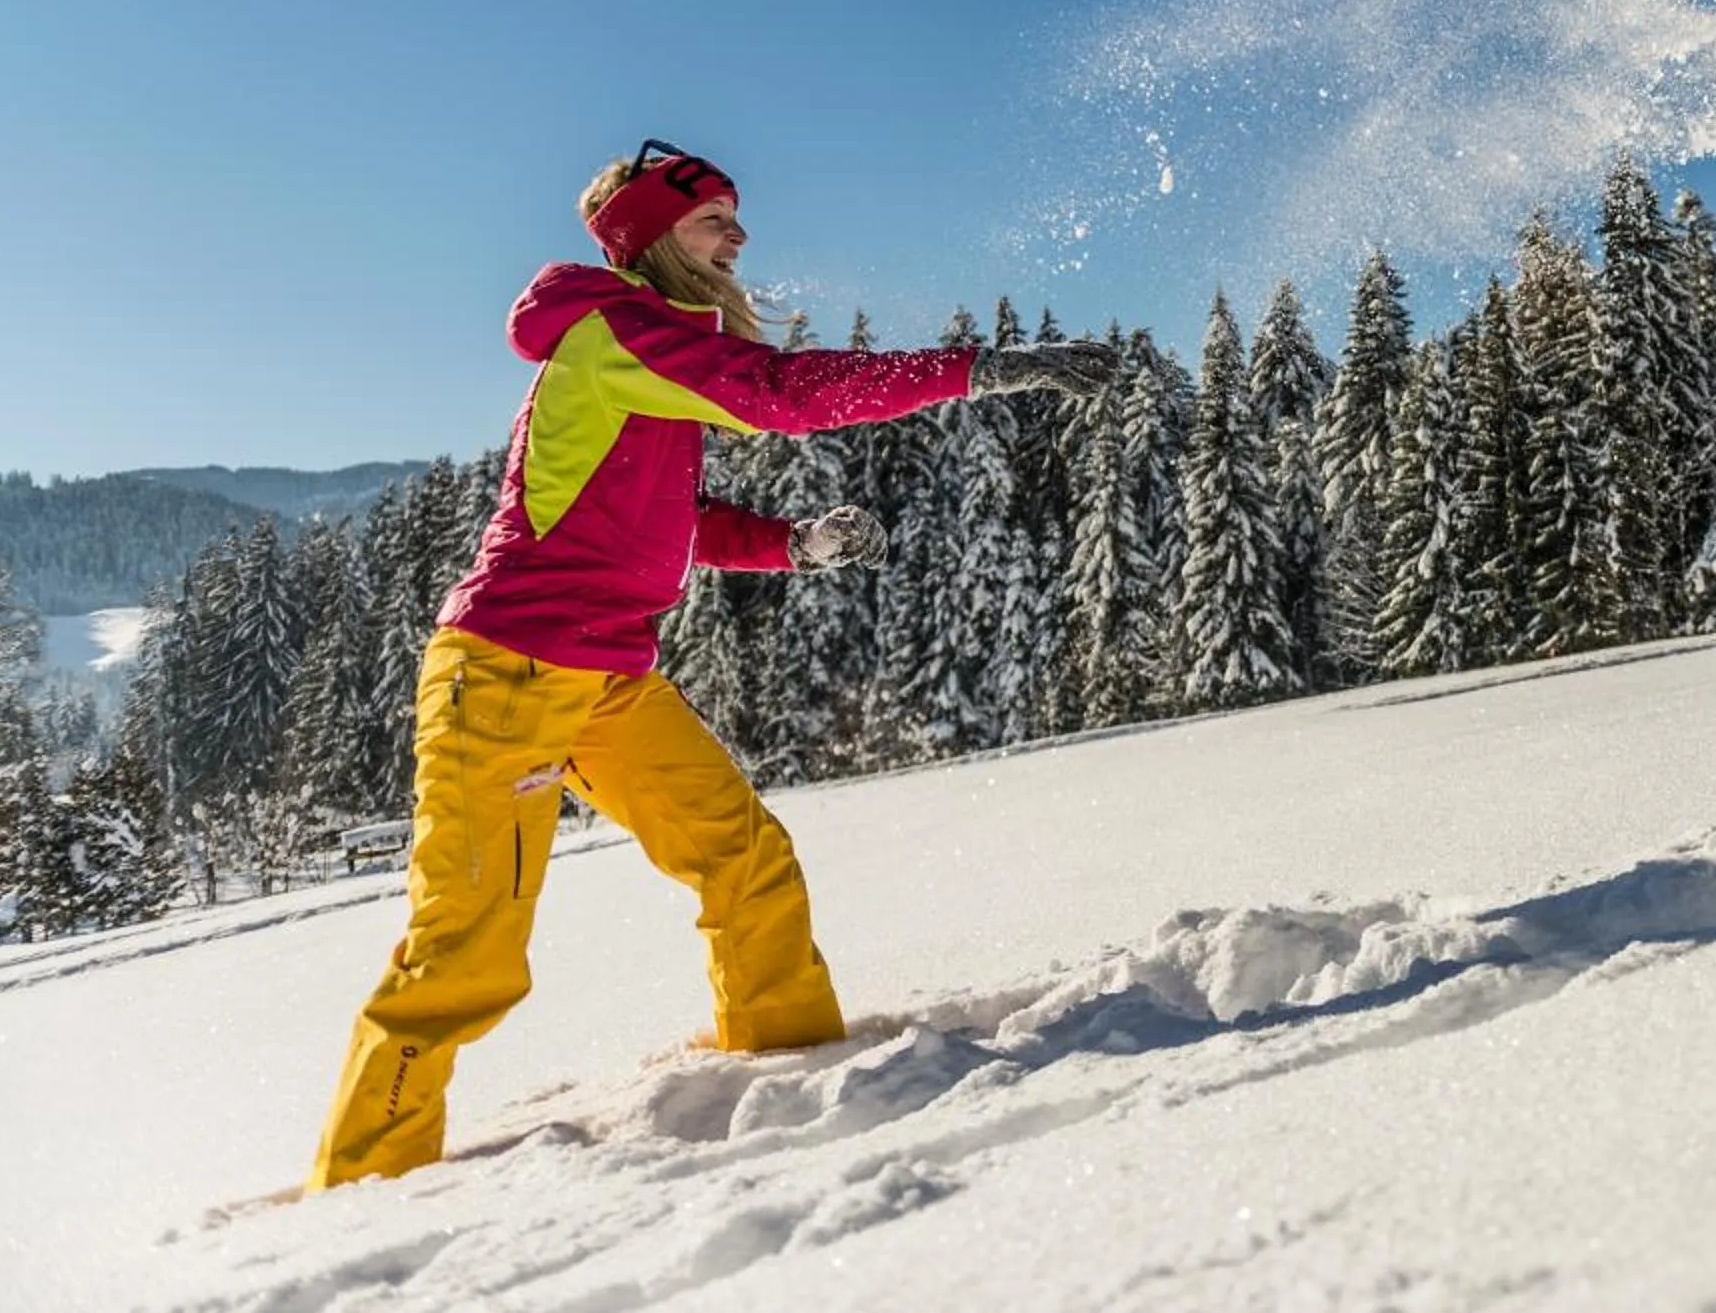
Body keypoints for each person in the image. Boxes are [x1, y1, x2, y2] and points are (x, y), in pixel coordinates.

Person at [311, 140, 1116, 1189]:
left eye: (736, 217)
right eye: (711, 221)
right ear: (649, 238)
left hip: (606, 679)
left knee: (747, 861)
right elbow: (782, 392)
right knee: (464, 951)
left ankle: (789, 1073)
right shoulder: (610, 332)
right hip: (507, 668)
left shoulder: (651, 349)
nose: (737, 236)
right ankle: (361, 1192)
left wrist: (789, 545)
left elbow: (662, 516)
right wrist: (981, 367)